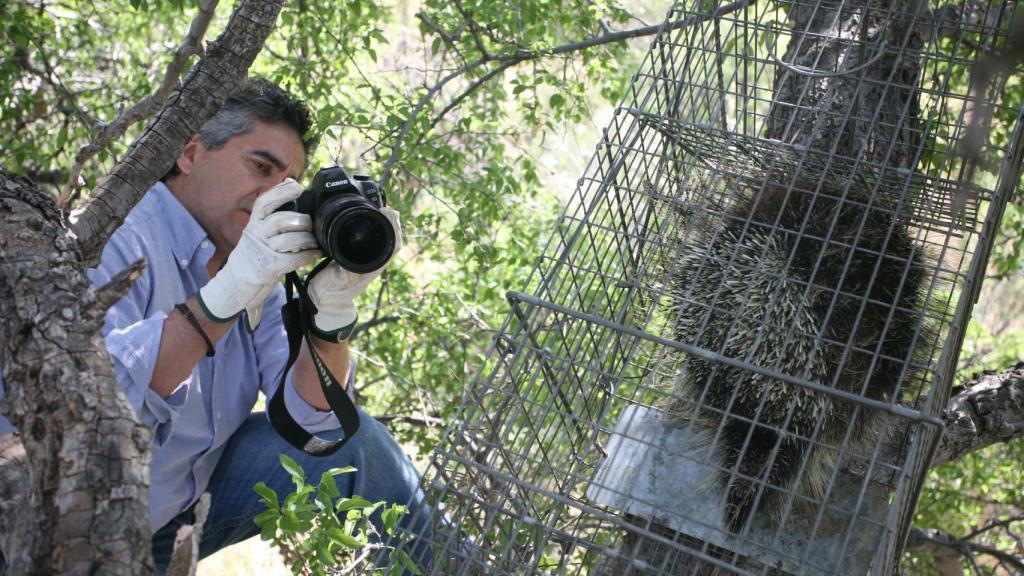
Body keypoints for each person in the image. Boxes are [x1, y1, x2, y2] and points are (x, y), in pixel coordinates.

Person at [0, 79, 429, 573]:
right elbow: (90, 408)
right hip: (51, 524)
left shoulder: (258, 263)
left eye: (287, 183)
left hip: (173, 512)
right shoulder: (115, 234)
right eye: (260, 167)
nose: (274, 196)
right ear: (190, 153)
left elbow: (320, 425)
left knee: (363, 450)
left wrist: (329, 319)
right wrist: (225, 296)